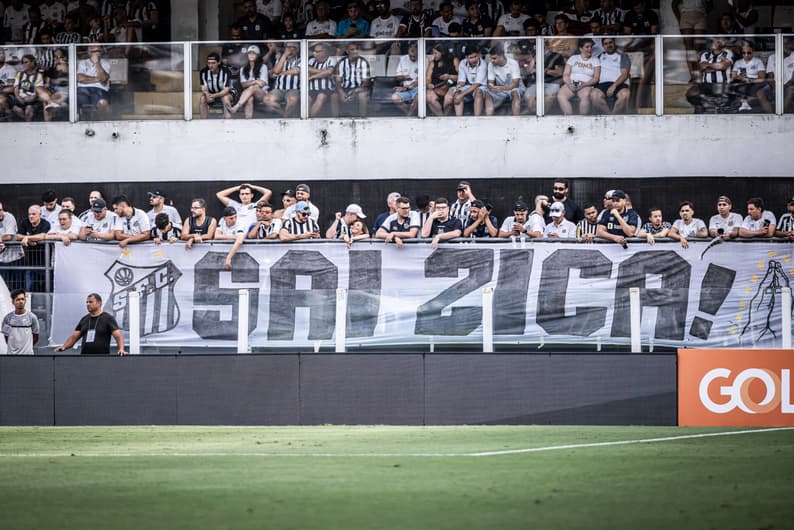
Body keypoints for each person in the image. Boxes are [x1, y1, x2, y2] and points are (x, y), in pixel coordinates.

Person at [54, 293, 126, 355]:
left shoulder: (108, 318)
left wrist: (121, 349)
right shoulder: (84, 319)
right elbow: (74, 337)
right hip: (85, 357)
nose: (88, 304)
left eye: (91, 302)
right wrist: (64, 346)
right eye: (87, 302)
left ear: (99, 303)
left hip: (102, 358)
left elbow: (118, 336)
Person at [685, 37, 734, 114]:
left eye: (719, 40)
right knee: (691, 93)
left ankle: (715, 103)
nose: (716, 42)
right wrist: (716, 66)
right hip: (706, 84)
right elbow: (701, 67)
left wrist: (708, 66)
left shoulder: (727, 53)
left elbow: (723, 66)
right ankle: (703, 105)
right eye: (715, 40)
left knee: (722, 95)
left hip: (721, 84)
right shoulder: (705, 54)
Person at [558, 38, 600, 116]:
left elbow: (596, 78)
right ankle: (570, 119)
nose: (590, 49)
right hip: (572, 83)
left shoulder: (595, 60)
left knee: (585, 96)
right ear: (581, 49)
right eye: (587, 47)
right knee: (561, 96)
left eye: (591, 47)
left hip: (586, 84)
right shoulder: (573, 58)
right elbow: (566, 74)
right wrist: (570, 84)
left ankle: (582, 119)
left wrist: (583, 85)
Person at [591, 37, 631, 115]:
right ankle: (610, 116)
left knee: (625, 95)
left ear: (614, 43)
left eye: (610, 42)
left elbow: (624, 74)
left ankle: (612, 117)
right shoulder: (599, 57)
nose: (608, 45)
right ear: (603, 46)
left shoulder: (622, 56)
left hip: (618, 84)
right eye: (606, 44)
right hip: (602, 84)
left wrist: (614, 86)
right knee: (594, 96)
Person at [230, 45, 269, 119]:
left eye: (253, 53)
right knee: (249, 99)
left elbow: (262, 83)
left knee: (253, 87)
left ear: (257, 55)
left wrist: (251, 83)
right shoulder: (243, 68)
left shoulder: (263, 67)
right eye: (249, 53)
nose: (251, 55)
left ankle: (237, 106)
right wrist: (256, 81)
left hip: (262, 94)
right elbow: (243, 85)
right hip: (247, 95)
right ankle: (248, 121)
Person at [485, 44, 524, 116]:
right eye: (491, 58)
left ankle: (516, 120)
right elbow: (491, 82)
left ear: (502, 56)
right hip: (501, 89)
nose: (492, 61)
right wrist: (491, 87)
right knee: (488, 93)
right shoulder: (491, 65)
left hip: (516, 88)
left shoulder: (513, 63)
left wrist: (501, 88)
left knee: (514, 92)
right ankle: (489, 119)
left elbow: (516, 84)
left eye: (494, 58)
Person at [265, 42, 301, 118]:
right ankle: (285, 116)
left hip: (293, 89)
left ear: (297, 50)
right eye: (287, 47)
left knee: (292, 101)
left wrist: (281, 73)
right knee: (267, 99)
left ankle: (285, 119)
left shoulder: (301, 59)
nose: (289, 49)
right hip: (279, 89)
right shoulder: (281, 58)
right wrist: (284, 55)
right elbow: (276, 71)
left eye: (292, 47)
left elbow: (295, 71)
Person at [335, 42, 371, 118]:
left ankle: (363, 118)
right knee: (334, 96)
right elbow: (338, 80)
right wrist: (341, 92)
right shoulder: (342, 62)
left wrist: (357, 89)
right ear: (347, 51)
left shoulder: (363, 62)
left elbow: (366, 81)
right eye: (352, 49)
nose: (355, 51)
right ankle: (336, 119)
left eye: (357, 49)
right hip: (345, 88)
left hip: (360, 87)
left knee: (362, 95)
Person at [731, 43, 767, 113]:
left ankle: (745, 104)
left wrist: (751, 80)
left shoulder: (758, 61)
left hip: (754, 81)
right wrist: (742, 78)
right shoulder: (738, 62)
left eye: (749, 53)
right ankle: (743, 104)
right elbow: (733, 75)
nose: (746, 55)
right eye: (743, 53)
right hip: (741, 81)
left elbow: (762, 77)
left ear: (752, 52)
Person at [76, 45, 111, 116]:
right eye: (94, 51)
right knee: (76, 99)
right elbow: (80, 79)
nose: (97, 53)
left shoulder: (105, 63)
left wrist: (97, 63)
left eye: (98, 51)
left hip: (100, 89)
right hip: (83, 88)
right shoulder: (83, 63)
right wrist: (98, 78)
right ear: (89, 53)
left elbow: (104, 80)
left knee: (102, 104)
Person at [3, 288, 39, 355]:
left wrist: (28, 347)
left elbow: (36, 336)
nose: (21, 302)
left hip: (28, 355)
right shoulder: (7, 318)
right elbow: (6, 336)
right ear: (13, 302)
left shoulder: (32, 317)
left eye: (22, 299)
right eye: (18, 299)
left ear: (25, 301)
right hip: (11, 355)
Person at [454, 46, 487, 116]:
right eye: (471, 58)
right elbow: (462, 80)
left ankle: (477, 120)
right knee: (457, 93)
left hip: (482, 87)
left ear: (478, 55)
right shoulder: (463, 63)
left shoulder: (483, 64)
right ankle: (458, 120)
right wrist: (459, 86)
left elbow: (477, 84)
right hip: (469, 85)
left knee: (478, 92)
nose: (474, 59)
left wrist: (462, 94)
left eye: (475, 56)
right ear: (466, 57)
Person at [425, 43, 457, 116]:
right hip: (436, 87)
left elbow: (460, 77)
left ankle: (446, 116)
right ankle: (441, 118)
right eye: (433, 53)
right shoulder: (432, 63)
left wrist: (449, 76)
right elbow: (428, 78)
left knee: (448, 100)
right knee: (429, 98)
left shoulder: (454, 60)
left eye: (436, 53)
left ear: (442, 53)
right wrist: (429, 84)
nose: (434, 55)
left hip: (450, 86)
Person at [308, 42, 337, 117]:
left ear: (325, 52)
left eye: (317, 51)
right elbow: (308, 69)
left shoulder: (331, 59)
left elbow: (329, 72)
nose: (314, 53)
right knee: (307, 99)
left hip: (327, 89)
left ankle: (309, 120)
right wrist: (324, 72)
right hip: (311, 89)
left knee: (321, 96)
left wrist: (313, 77)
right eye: (314, 51)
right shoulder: (311, 60)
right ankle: (306, 118)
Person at [12, 55, 44, 122]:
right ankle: (25, 123)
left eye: (26, 62)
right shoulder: (19, 74)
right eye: (23, 62)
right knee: (16, 109)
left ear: (32, 63)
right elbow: (16, 88)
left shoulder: (38, 76)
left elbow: (37, 91)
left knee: (29, 109)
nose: (24, 64)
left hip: (33, 100)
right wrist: (19, 98)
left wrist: (31, 98)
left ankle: (27, 125)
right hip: (20, 99)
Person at [391, 42, 420, 116]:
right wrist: (405, 77)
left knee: (419, 98)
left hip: (418, 89)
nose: (412, 58)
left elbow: (422, 80)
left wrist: (406, 88)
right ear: (408, 52)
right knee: (395, 97)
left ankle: (409, 115)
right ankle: (409, 113)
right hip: (405, 88)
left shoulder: (424, 59)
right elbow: (398, 77)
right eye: (411, 56)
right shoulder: (403, 59)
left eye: (414, 56)